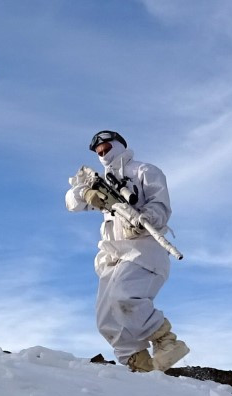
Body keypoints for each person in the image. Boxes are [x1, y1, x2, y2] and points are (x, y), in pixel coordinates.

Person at [65, 130, 189, 372]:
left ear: (119, 146)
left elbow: (161, 206)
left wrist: (143, 218)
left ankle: (166, 340)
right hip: (113, 256)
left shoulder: (145, 171)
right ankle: (139, 364)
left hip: (144, 250)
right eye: (98, 152)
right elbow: (71, 200)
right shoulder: (99, 181)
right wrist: (87, 193)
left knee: (124, 296)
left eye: (106, 148)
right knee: (106, 317)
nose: (102, 154)